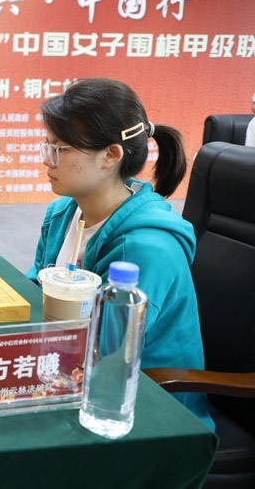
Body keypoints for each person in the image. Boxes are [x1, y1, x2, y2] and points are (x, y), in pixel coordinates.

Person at [25, 77, 214, 430]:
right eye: (46, 145)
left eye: (60, 149)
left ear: (111, 155)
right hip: (69, 375)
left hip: (140, 409)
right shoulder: (63, 213)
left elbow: (108, 354)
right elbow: (35, 288)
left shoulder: (145, 249)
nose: (46, 160)